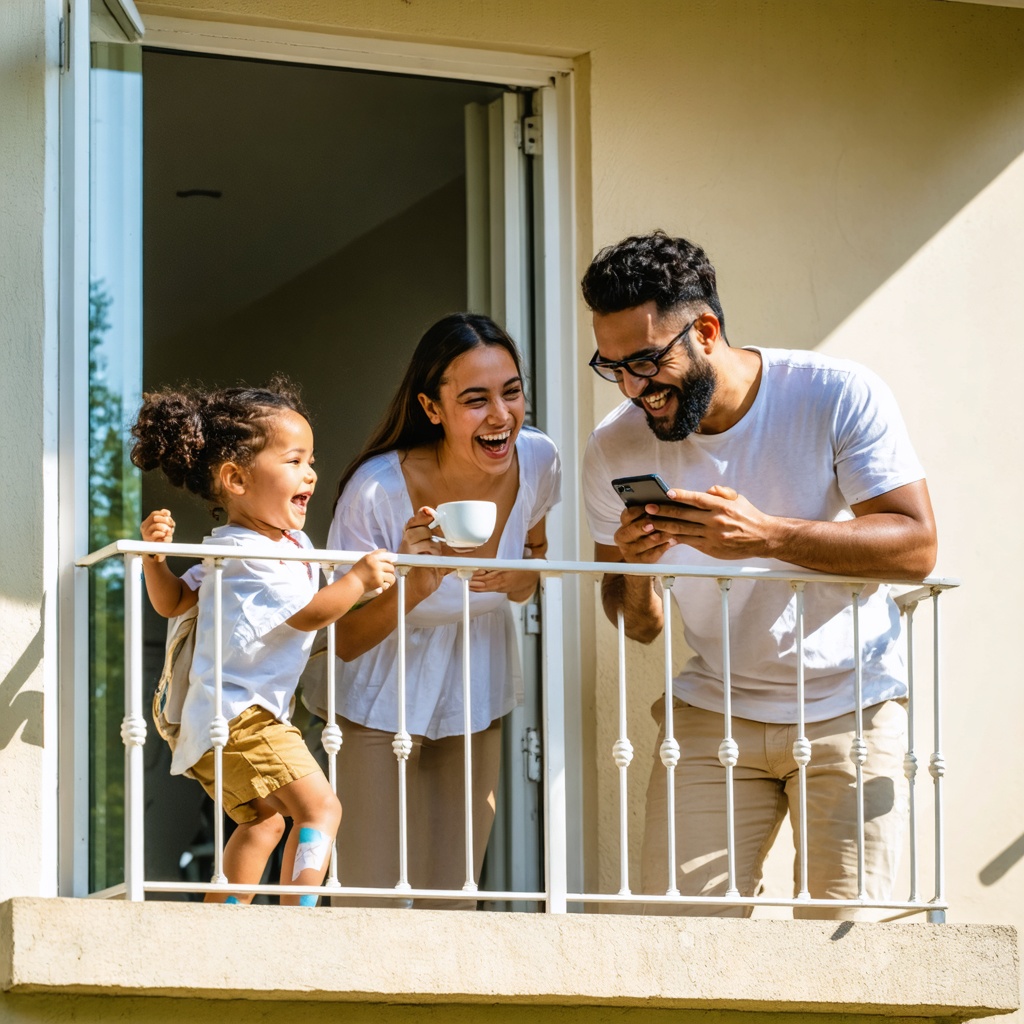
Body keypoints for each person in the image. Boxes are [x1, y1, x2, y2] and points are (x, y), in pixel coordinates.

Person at [579, 231, 937, 918]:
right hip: (713, 711)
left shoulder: (835, 394)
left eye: (647, 362)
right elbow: (638, 626)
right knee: (677, 943)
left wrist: (766, 535)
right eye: (613, 366)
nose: (633, 389)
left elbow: (916, 545)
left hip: (850, 708)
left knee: (844, 950)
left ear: (706, 330)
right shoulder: (613, 448)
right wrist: (635, 568)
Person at [303, 312, 560, 908]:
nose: (501, 416)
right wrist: (413, 588)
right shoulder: (376, 491)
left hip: (476, 681)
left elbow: (534, 559)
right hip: (376, 693)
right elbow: (335, 637)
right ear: (432, 407)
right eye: (475, 399)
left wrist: (522, 577)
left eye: (511, 392)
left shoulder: (540, 462)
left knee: (454, 899)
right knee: (371, 900)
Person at [130, 379, 396, 905]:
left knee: (265, 825)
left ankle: (222, 925)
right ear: (235, 479)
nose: (311, 473)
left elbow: (181, 604)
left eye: (311, 460)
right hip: (239, 717)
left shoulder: (277, 544)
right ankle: (293, 920)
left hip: (240, 718)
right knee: (321, 809)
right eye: (295, 461)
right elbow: (308, 616)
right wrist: (359, 581)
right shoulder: (247, 555)